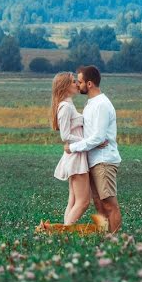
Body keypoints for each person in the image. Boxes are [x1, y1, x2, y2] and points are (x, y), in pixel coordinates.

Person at [64, 65, 122, 233]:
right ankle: (104, 238)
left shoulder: (101, 105)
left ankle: (114, 240)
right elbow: (93, 136)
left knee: (109, 204)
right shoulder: (92, 104)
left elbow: (98, 137)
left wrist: (72, 147)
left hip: (104, 160)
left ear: (89, 84)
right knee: (98, 204)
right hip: (94, 159)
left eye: (80, 81)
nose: (77, 84)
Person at [51, 71, 95, 225]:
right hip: (75, 156)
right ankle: (64, 233)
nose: (77, 84)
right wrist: (89, 141)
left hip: (77, 154)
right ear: (64, 86)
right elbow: (65, 136)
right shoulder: (65, 107)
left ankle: (63, 235)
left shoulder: (69, 105)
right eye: (73, 82)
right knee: (83, 202)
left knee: (73, 200)